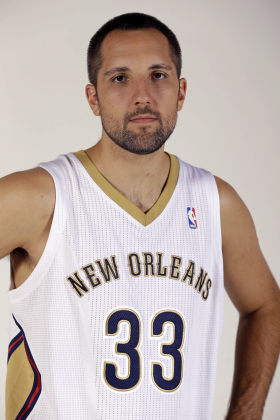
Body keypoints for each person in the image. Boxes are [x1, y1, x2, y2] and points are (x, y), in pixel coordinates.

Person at [1, 12, 280, 420]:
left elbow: (265, 306)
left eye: (158, 75)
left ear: (181, 92)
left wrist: (247, 411)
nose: (142, 96)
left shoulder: (216, 203)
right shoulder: (40, 198)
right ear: (92, 97)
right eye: (119, 78)